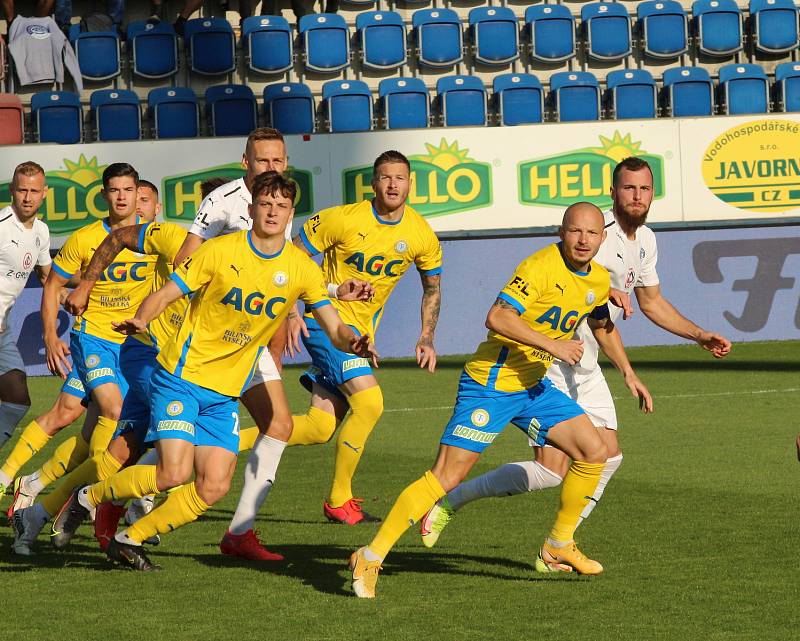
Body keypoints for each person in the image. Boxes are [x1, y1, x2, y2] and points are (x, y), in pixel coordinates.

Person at [56, 171, 377, 571]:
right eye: (266, 204)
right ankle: (88, 498)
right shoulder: (219, 251)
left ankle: (129, 537)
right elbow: (168, 292)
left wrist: (353, 341)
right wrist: (141, 319)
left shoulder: (301, 268)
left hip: (224, 391)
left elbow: (334, 326)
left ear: (292, 212)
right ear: (251, 208)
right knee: (173, 472)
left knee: (214, 485)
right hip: (182, 378)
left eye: (282, 206)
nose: (273, 212)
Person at [419, 157, 733, 557]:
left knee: (608, 457)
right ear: (613, 193)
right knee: (552, 469)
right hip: (548, 362)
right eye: (628, 188)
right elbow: (572, 283)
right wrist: (603, 295)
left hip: (586, 363)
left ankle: (558, 545)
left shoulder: (647, 240)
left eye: (645, 189)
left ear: (653, 193)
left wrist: (697, 335)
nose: (637, 197)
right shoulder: (595, 236)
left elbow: (651, 302)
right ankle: (451, 501)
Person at [349, 202, 655, 598]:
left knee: (595, 451)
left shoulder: (596, 278)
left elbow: (600, 322)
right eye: (575, 231)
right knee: (446, 476)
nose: (583, 240)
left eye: (592, 233)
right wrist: (554, 346)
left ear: (602, 238)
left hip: (532, 387)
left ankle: (559, 544)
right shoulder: (538, 267)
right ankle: (370, 556)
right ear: (562, 232)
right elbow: (497, 317)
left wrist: (628, 372)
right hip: (491, 383)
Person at [219, 148, 443, 559]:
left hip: (360, 335)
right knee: (371, 402)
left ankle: (221, 443)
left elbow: (432, 287)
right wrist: (291, 311)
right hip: (328, 325)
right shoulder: (342, 218)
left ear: (410, 184)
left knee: (319, 428)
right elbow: (294, 257)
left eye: (400, 178)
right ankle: (340, 500)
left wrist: (426, 336)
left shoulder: (421, 234)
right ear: (373, 183)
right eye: (385, 177)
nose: (393, 185)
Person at [11, 163, 156, 555]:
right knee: (113, 409)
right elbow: (53, 284)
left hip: (135, 348)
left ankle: (38, 511)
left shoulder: (152, 239)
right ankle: (93, 503)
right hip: (92, 338)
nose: (123, 196)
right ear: (105, 195)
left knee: (95, 442)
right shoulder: (86, 238)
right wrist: (48, 335)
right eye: (115, 190)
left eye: (129, 189)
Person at [0, 162, 53, 488]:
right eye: (22, 190)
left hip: (2, 327)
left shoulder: (42, 232)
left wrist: (88, 284)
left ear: (44, 194)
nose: (28, 197)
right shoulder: (2, 225)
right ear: (12, 191)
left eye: (34, 191)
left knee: (17, 396)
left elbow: (48, 277)